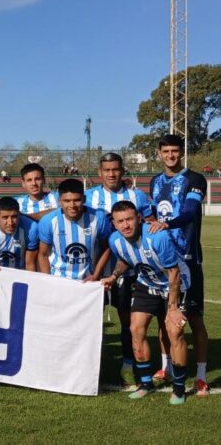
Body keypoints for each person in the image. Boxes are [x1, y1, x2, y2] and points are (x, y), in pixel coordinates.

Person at [101, 201, 191, 404]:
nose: (126, 225)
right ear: (114, 224)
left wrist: (173, 308)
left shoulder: (157, 236)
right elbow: (125, 259)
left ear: (139, 218)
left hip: (176, 284)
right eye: (120, 221)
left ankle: (179, 388)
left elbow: (174, 273)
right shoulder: (115, 240)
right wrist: (114, 276)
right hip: (147, 283)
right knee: (136, 329)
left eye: (129, 219)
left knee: (174, 330)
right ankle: (146, 383)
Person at [84, 152, 153, 388]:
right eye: (107, 170)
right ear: (99, 173)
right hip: (96, 272)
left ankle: (127, 367)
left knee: (128, 323)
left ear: (123, 170)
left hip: (130, 272)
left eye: (115, 169)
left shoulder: (137, 196)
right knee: (90, 323)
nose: (111, 174)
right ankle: (91, 369)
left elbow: (150, 225)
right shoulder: (88, 197)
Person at [148, 134, 210, 396]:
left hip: (188, 259)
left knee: (194, 319)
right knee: (164, 317)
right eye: (166, 151)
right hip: (162, 260)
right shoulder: (155, 181)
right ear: (159, 153)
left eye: (175, 151)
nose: (170, 155)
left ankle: (201, 376)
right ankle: (166, 367)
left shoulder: (195, 179)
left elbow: (189, 212)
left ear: (181, 152)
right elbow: (152, 214)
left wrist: (167, 224)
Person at [37, 178, 112, 281]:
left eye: (77, 200)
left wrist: (96, 274)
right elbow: (43, 254)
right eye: (67, 201)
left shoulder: (99, 218)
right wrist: (48, 280)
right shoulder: (48, 221)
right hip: (58, 279)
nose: (72, 205)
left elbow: (106, 248)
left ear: (84, 199)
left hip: (88, 280)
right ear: (59, 201)